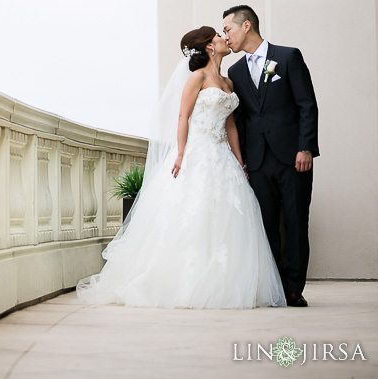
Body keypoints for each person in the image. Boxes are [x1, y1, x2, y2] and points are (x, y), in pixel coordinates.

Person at [76, 26, 287, 308]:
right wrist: (181, 152)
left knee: (228, 215)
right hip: (197, 152)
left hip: (223, 155)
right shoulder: (197, 77)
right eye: (218, 36)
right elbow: (182, 116)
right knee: (192, 213)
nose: (224, 39)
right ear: (210, 46)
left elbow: (231, 125)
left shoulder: (227, 82)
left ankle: (222, 282)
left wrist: (239, 160)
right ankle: (182, 281)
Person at [222, 5, 319, 307]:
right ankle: (274, 284)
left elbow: (307, 105)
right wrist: (243, 162)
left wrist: (306, 148)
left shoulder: (288, 57)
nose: (226, 36)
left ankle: (293, 288)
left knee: (295, 221)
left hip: (293, 157)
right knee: (265, 225)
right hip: (258, 161)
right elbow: (240, 121)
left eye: (228, 29)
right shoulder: (235, 71)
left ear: (246, 25)